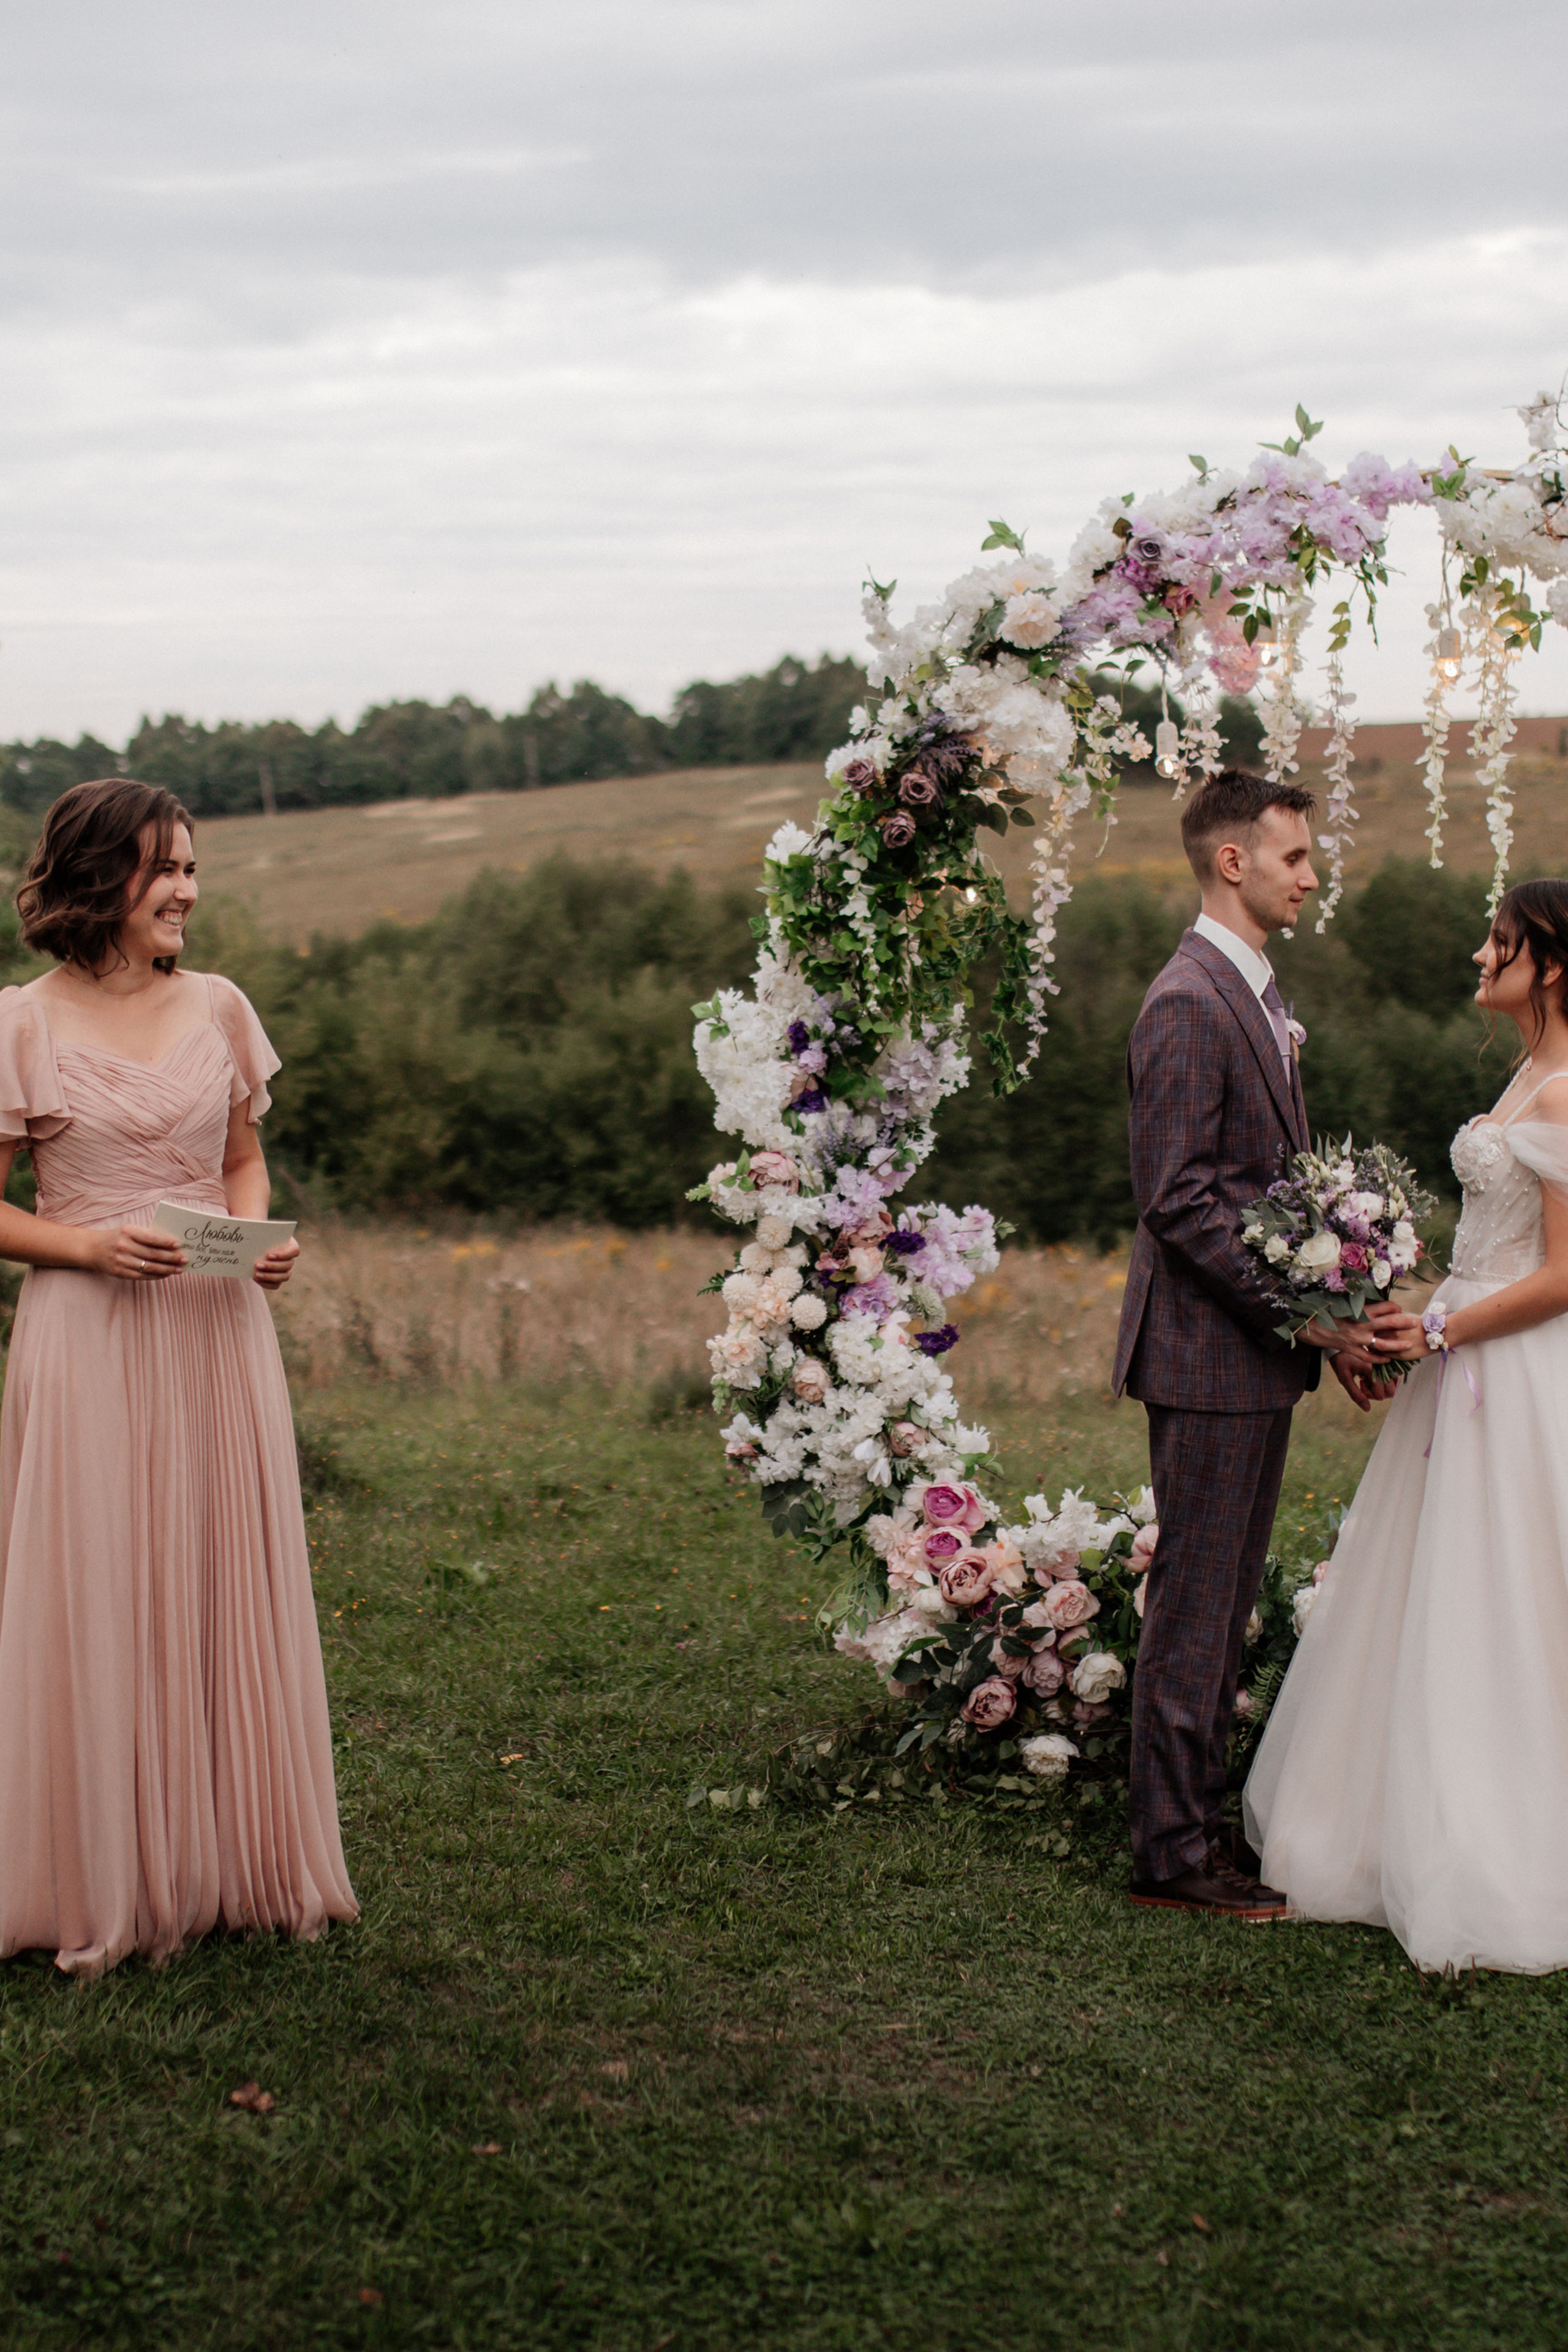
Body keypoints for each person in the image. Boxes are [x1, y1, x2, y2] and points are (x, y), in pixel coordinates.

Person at [0, 778, 356, 1973]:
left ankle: (235, 1860)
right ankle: (90, 1868)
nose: (191, 892)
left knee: (216, 1572)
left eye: (195, 869)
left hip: (216, 1330)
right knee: (98, 1579)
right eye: (169, 871)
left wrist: (255, 1237)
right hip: (85, 1331)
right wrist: (89, 1245)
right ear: (104, 877)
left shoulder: (218, 1006)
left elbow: (243, 1159)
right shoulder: (22, 1022)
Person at [1246, 879, 1568, 1972]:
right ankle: (1387, 1817)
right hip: (1460, 1339)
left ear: (1553, 963)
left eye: (1501, 942)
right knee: (1431, 1584)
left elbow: (1565, 1278)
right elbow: (1495, 1247)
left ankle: (1499, 1841)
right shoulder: (1526, 1074)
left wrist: (1441, 1334)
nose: (1481, 956)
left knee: (1504, 1590)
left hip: (1513, 1369)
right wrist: (1395, 1296)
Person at [1112, 768, 1390, 1921]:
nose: (1312, 875)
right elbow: (1179, 1202)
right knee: (1199, 1601)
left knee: (1218, 1600)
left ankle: (1193, 1820)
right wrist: (1313, 1317)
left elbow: (1263, 1192)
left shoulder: (1257, 996)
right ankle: (1173, 1854)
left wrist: (1335, 1310)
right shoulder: (1188, 1001)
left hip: (1245, 1357)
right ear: (1235, 862)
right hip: (1205, 1357)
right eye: (1294, 858)